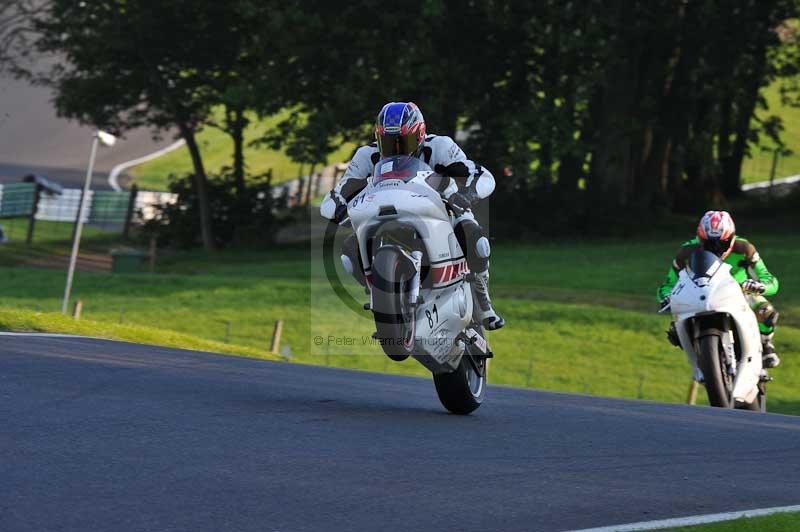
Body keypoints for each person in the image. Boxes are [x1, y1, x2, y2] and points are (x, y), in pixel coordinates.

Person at [320, 101, 504, 330]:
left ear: (420, 135)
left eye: (403, 142)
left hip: (441, 212)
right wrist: (338, 209)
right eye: (388, 142)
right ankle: (381, 295)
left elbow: (478, 174)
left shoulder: (440, 146)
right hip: (386, 212)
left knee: (476, 238)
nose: (396, 149)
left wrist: (467, 195)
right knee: (349, 253)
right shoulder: (366, 156)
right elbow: (341, 190)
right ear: (378, 138)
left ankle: (482, 299)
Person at [657, 210, 780, 368]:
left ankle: (765, 342)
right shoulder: (686, 251)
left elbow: (768, 278)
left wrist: (759, 286)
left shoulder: (744, 248)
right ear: (700, 238)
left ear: (731, 237)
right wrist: (666, 297)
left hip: (740, 292)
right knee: (676, 329)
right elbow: (668, 284)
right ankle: (697, 350)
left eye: (721, 243)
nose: (715, 248)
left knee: (766, 311)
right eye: (708, 244)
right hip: (701, 293)